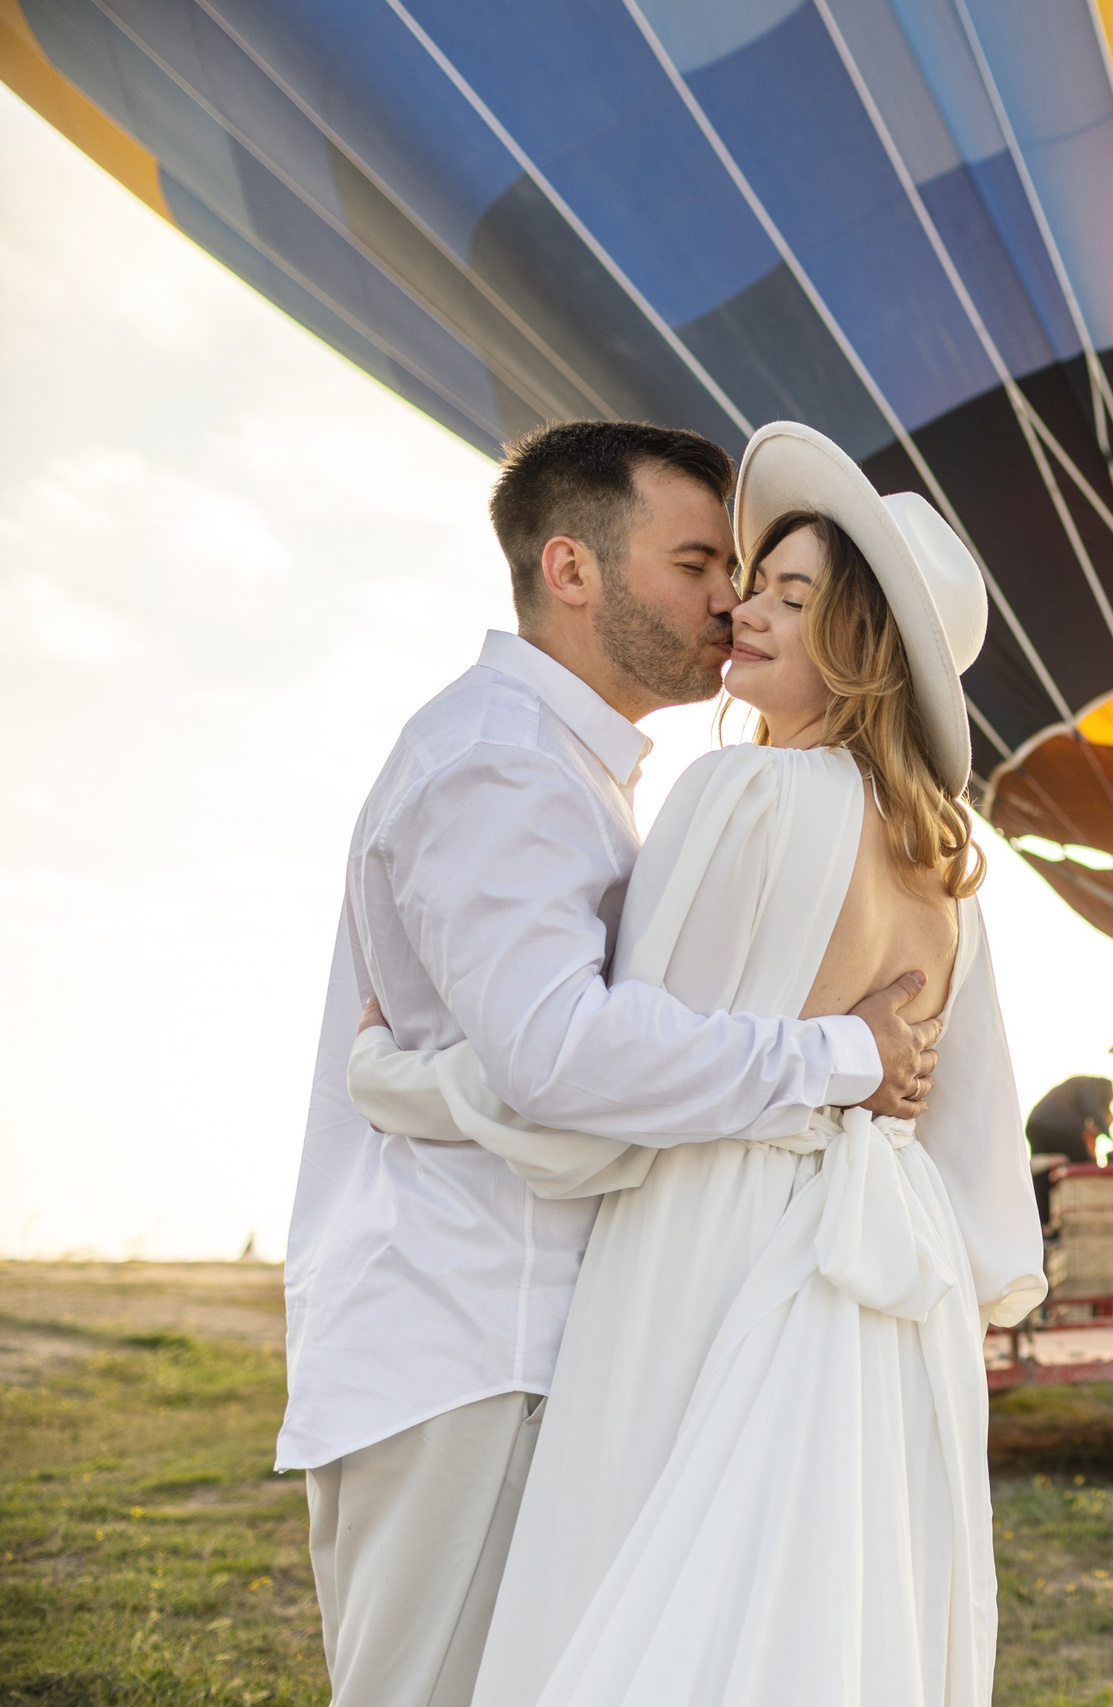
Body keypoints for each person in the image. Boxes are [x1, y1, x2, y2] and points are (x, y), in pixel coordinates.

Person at [344, 422, 1046, 1704]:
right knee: (816, 1612)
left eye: (791, 595)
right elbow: (969, 1135)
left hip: (713, 1239)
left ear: (864, 643)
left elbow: (594, 1097)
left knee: (638, 1596)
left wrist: (395, 1077)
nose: (742, 609)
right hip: (894, 1281)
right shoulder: (947, 860)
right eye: (744, 579)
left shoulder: (740, 797)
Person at [1024, 1075, 1112, 1228]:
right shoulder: (1092, 1085)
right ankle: (1088, 1219)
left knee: (1041, 1176)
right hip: (1061, 1127)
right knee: (1087, 1166)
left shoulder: (1074, 1086)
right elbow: (1092, 1108)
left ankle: (1042, 1224)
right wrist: (1110, 1136)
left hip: (1035, 1124)